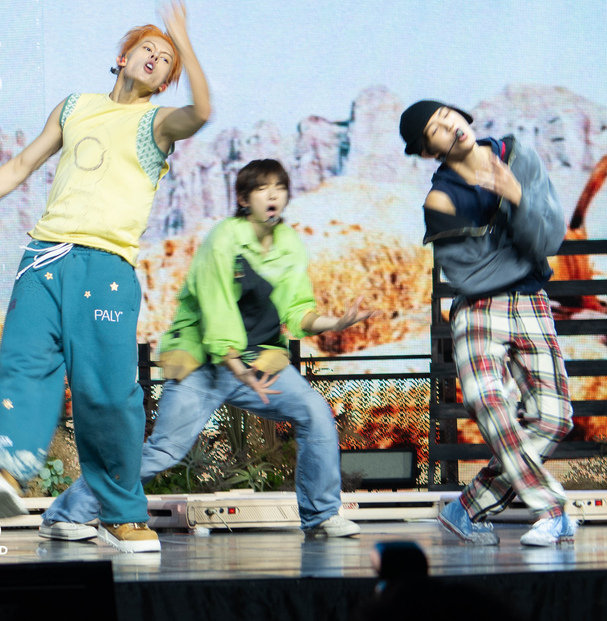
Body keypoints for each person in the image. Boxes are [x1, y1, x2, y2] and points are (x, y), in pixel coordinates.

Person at [0, 0, 210, 553]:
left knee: (108, 396)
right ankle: (8, 468)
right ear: (121, 58)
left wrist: (185, 42)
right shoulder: (75, 107)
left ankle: (120, 513)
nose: (156, 57)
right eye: (148, 48)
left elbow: (202, 113)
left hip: (107, 269)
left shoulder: (157, 122)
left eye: (166, 59)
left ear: (168, 79)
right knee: (23, 365)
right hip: (45, 258)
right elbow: (21, 166)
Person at [39, 159, 371, 540]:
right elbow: (217, 313)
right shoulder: (224, 238)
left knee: (315, 414)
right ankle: (65, 515)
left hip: (259, 361)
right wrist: (239, 369)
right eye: (262, 188)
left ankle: (321, 514)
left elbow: (297, 310)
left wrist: (336, 323)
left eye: (279, 186)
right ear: (244, 199)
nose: (273, 194)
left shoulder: (289, 244)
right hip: (204, 363)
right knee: (164, 450)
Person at [399, 100, 573, 547]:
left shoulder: (518, 156)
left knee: (554, 419)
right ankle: (553, 510)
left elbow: (550, 238)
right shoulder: (441, 200)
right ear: (427, 151)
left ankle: (466, 507)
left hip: (532, 301)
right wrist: (521, 240)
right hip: (479, 309)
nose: (448, 125)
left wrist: (516, 196)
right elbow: (469, 274)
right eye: (435, 129)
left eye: (447, 115)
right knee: (487, 401)